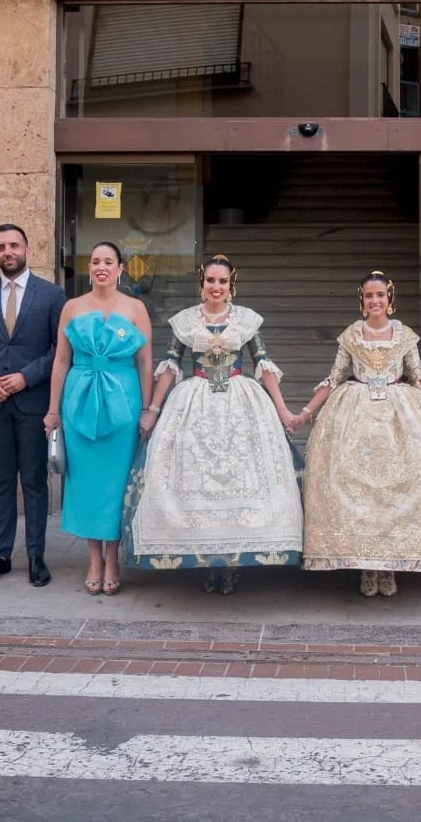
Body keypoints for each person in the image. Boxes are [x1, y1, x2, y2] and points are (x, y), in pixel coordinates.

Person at [294, 271, 421, 596]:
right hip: (355, 421)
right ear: (362, 300)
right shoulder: (351, 335)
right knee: (360, 496)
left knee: (401, 492)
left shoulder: (404, 335)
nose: (375, 301)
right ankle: (367, 567)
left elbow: (418, 377)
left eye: (380, 295)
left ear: (390, 298)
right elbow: (333, 378)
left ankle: (389, 568)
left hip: (400, 419)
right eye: (369, 296)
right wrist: (305, 413)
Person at [124, 255, 303, 594]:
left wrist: (282, 410)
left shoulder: (247, 320)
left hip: (240, 401)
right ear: (201, 283)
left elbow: (262, 364)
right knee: (198, 483)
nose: (216, 287)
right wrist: (153, 408)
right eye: (210, 281)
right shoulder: (185, 321)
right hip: (194, 403)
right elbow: (171, 366)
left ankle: (232, 562)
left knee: (242, 477)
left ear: (231, 284)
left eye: (222, 281)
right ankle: (206, 560)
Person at [44, 241, 152, 596]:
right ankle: (94, 559)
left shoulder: (136, 308)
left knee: (118, 483)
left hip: (123, 402)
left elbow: (145, 362)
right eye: (95, 262)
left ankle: (114, 558)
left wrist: (149, 408)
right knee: (87, 484)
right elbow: (61, 360)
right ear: (89, 268)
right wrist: (53, 409)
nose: (101, 267)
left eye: (108, 261)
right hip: (80, 401)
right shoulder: (72, 307)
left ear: (121, 268)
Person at [0, 224, 66, 588]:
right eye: (0, 247)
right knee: (2, 481)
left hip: (33, 401)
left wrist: (26, 376)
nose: (8, 252)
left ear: (27, 248)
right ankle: (1, 554)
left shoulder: (53, 296)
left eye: (14, 245)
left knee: (35, 481)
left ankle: (36, 555)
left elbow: (59, 350)